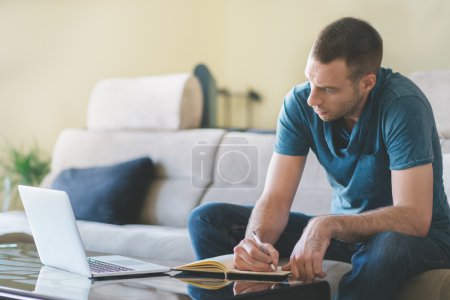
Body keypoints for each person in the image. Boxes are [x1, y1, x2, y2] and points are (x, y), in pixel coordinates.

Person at [188, 17, 450, 300]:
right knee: (207, 219)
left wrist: (327, 224)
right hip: (346, 237)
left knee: (387, 245)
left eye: (328, 89)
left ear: (366, 83)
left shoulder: (402, 105)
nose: (312, 98)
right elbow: (276, 198)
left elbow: (414, 218)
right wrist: (255, 244)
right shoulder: (300, 104)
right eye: (310, 81)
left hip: (421, 240)